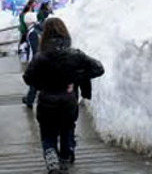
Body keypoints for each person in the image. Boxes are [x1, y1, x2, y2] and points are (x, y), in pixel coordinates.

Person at [23, 17, 104, 173]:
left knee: (47, 132)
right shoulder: (75, 54)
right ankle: (65, 157)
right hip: (68, 100)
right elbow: (98, 68)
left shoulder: (40, 57)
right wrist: (76, 78)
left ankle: (51, 154)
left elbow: (28, 78)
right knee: (67, 128)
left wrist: (43, 85)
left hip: (46, 100)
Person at [21, 12, 42, 109]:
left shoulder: (32, 32)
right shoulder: (38, 29)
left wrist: (32, 62)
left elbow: (34, 48)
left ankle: (30, 100)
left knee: (34, 82)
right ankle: (29, 99)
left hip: (37, 60)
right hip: (42, 58)